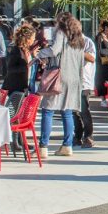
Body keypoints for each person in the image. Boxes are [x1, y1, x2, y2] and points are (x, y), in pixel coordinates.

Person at [37, 14, 86, 158]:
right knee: (67, 112)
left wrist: (40, 53)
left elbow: (54, 50)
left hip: (59, 76)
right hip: (74, 78)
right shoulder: (79, 37)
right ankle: (67, 145)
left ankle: (43, 147)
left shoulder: (60, 33)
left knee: (48, 110)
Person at [73, 34, 96, 148]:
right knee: (74, 111)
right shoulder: (67, 41)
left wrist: (76, 50)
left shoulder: (87, 41)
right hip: (71, 82)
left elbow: (92, 58)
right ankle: (77, 136)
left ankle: (88, 136)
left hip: (84, 82)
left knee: (84, 110)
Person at [2, 25, 37, 95]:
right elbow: (10, 68)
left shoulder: (26, 50)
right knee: (17, 106)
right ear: (27, 38)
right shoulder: (16, 50)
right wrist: (27, 66)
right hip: (16, 87)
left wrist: (34, 56)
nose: (34, 39)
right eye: (33, 37)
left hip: (24, 86)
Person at [95, 21, 108, 108]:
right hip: (102, 61)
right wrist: (107, 54)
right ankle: (103, 99)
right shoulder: (100, 37)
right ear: (105, 28)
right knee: (102, 79)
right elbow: (99, 50)